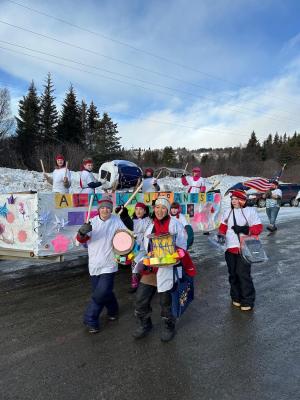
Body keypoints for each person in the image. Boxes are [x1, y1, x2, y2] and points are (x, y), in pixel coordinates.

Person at [133, 197, 187, 342]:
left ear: (168, 210)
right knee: (140, 299)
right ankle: (145, 324)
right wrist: (140, 257)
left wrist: (178, 253)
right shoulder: (150, 227)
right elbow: (145, 248)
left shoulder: (175, 225)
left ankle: (169, 326)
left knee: (165, 302)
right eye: (157, 207)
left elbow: (183, 245)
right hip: (151, 269)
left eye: (163, 208)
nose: (159, 210)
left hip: (168, 269)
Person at [76, 195, 133, 333]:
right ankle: (113, 310)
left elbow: (127, 233)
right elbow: (80, 241)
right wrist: (81, 233)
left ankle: (90, 318)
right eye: (103, 208)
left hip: (109, 263)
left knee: (101, 293)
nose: (105, 210)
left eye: (108, 208)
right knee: (102, 292)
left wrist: (125, 218)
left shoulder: (116, 221)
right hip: (95, 264)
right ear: (99, 209)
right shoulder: (92, 222)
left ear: (111, 209)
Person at [218, 190, 263, 311]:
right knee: (233, 274)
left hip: (245, 249)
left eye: (236, 199)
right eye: (232, 199)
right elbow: (222, 227)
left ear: (242, 200)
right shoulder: (227, 212)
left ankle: (247, 300)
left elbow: (258, 228)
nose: (234, 202)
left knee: (243, 275)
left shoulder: (250, 211)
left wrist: (245, 229)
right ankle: (236, 297)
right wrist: (220, 236)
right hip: (229, 249)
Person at [128, 202, 151, 293]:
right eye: (136, 209)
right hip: (134, 246)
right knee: (134, 264)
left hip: (144, 247)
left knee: (140, 263)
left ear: (145, 211)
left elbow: (138, 228)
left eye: (141, 209)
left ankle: (141, 283)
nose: (138, 211)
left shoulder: (148, 220)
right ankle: (136, 283)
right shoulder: (132, 220)